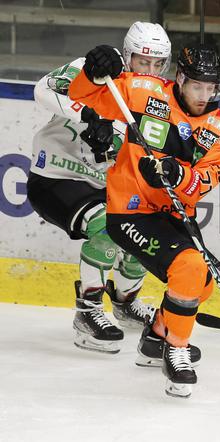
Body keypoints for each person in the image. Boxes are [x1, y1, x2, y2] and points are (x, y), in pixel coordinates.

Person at [68, 43, 220, 398]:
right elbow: (83, 93)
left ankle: (155, 338)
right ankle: (175, 350)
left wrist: (177, 175)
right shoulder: (144, 91)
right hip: (130, 210)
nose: (204, 96)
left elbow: (203, 181)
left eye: (212, 88)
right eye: (197, 87)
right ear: (179, 79)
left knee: (201, 285)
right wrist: (93, 67)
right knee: (191, 268)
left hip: (174, 214)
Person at [27, 22, 172, 354]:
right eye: (142, 61)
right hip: (55, 176)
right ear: (128, 54)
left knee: (146, 228)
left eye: (158, 64)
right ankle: (88, 311)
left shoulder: (157, 102)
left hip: (105, 186)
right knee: (105, 226)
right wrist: (91, 114)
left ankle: (125, 301)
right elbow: (42, 90)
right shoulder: (96, 70)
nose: (150, 70)